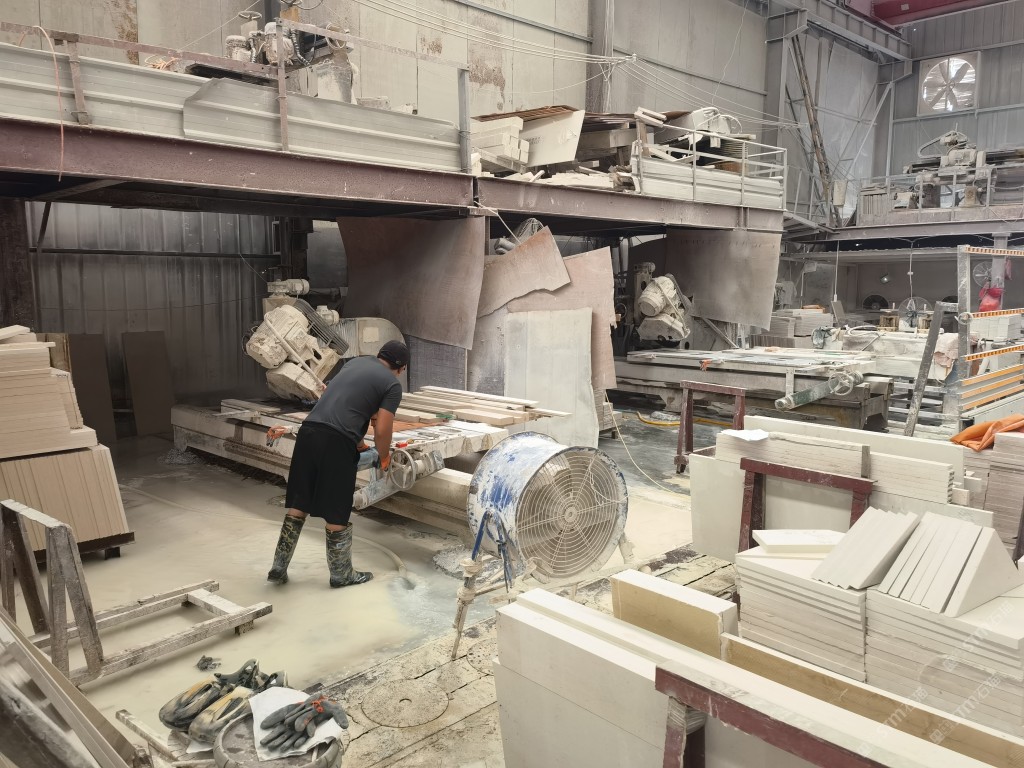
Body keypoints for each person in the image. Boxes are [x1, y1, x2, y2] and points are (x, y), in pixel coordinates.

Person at [266, 340, 409, 588]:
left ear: (379, 355)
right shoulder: (392, 384)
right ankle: (341, 574)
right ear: (402, 368)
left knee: (300, 502)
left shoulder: (354, 364)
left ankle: (278, 568)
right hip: (336, 442)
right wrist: (384, 456)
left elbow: (342, 406)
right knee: (336, 507)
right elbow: (383, 429)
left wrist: (359, 444)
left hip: (309, 432)